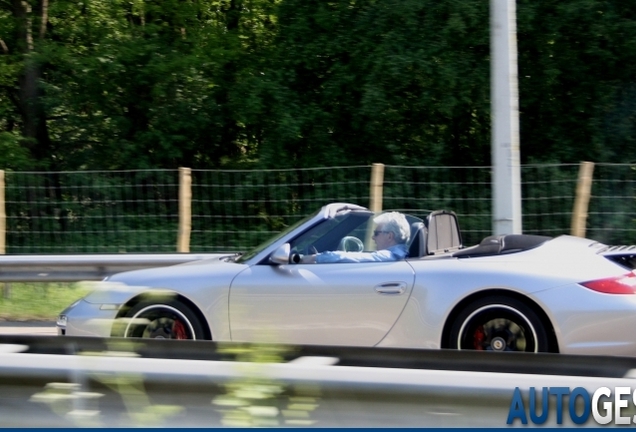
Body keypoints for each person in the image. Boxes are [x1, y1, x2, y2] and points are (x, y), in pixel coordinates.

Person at [300, 211, 411, 263]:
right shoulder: (400, 254)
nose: (373, 238)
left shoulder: (390, 256)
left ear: (390, 236)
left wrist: (315, 258)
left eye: (376, 233)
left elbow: (352, 258)